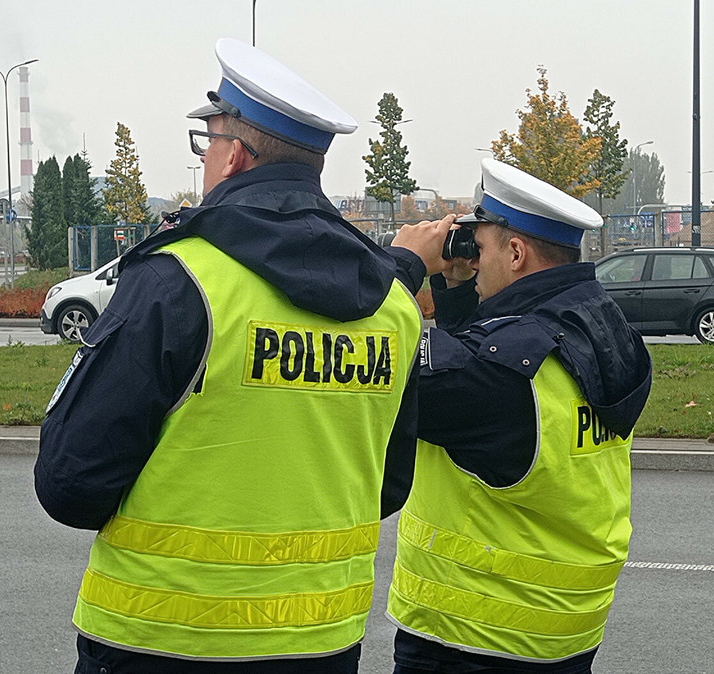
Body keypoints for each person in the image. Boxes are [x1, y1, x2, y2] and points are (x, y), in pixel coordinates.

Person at [35, 38, 422, 674]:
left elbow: (69, 483)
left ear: (235, 157)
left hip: (159, 645)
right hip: (321, 647)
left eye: (207, 140)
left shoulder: (178, 278)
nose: (206, 157)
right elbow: (389, 486)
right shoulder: (393, 305)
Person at [383, 158, 653, 673]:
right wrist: (461, 290)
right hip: (564, 630)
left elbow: (378, 367)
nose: (473, 261)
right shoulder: (603, 330)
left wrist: (403, 265)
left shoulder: (502, 374)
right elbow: (484, 368)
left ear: (515, 252)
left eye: (479, 250)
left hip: (473, 635)